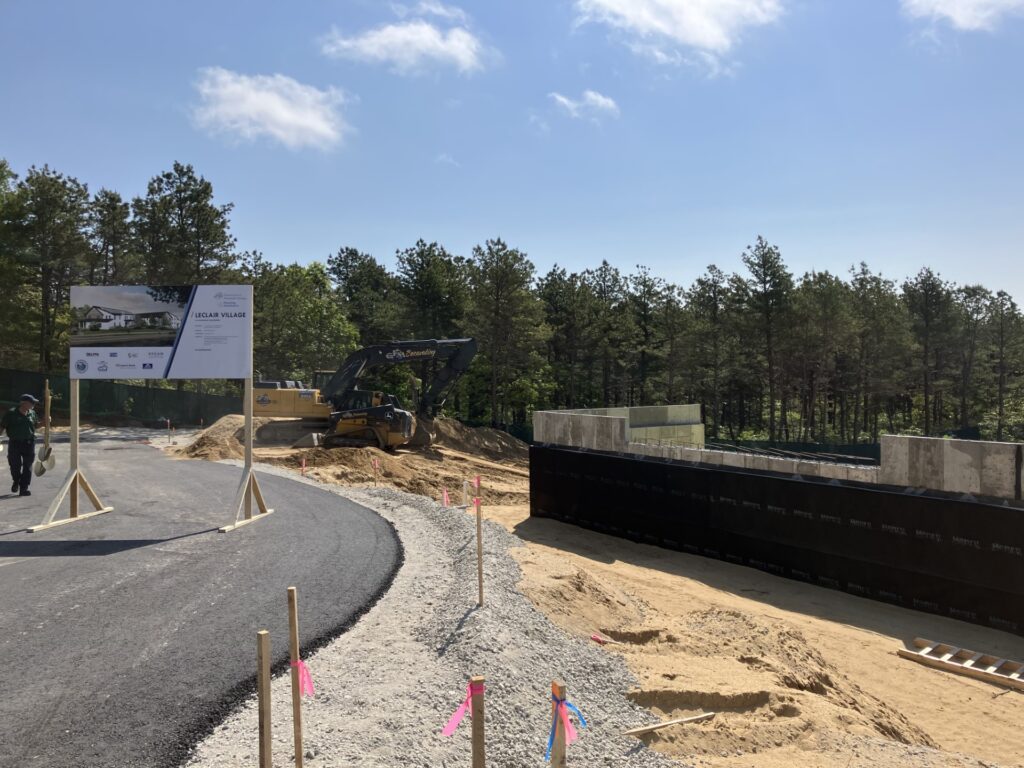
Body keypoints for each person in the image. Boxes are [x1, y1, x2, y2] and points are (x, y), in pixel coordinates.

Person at [1, 394, 40, 496]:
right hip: (15, 443)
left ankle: (24, 488)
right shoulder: (11, 413)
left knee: (27, 466)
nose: (33, 404)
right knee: (15, 466)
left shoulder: (32, 413)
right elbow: (2, 426)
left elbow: (36, 425)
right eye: (32, 402)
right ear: (24, 403)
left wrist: (46, 421)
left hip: (29, 443)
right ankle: (16, 481)